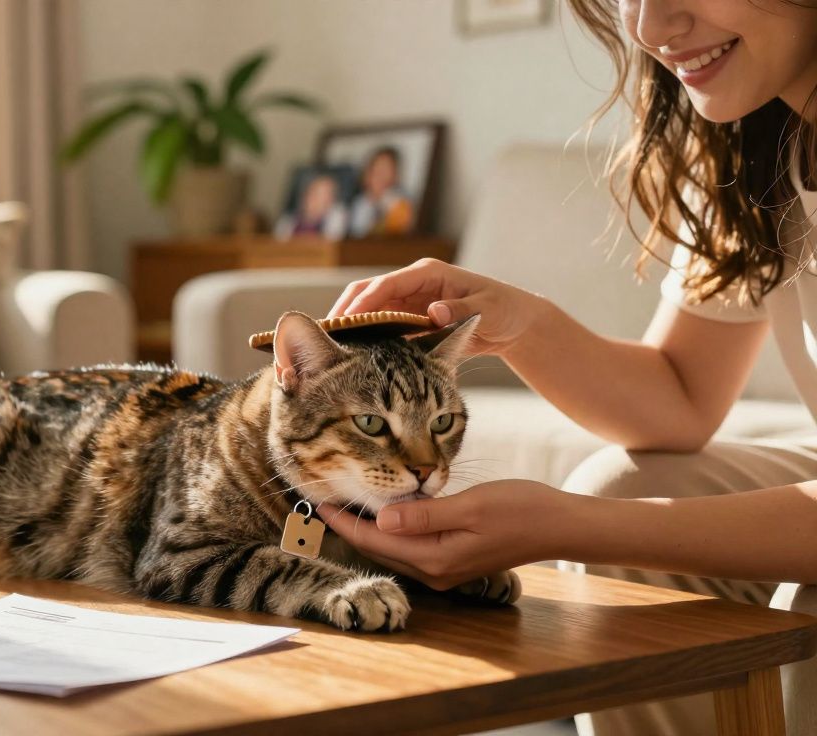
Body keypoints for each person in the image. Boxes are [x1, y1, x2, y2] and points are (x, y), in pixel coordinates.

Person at [316, 2, 817, 734]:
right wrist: (520, 324)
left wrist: (573, 527)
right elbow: (680, 399)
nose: (648, 27)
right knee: (626, 480)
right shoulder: (749, 141)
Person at [348, 147, 415, 237]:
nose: (380, 174)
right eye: (376, 168)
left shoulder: (399, 203)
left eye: (386, 169)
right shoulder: (359, 203)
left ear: (395, 176)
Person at [274, 171, 347, 240]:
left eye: (330, 194)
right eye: (319, 193)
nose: (327, 199)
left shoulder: (335, 217)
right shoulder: (287, 222)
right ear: (306, 195)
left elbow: (330, 245)